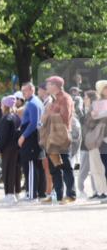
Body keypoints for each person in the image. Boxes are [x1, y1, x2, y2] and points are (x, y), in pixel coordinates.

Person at [40, 76, 76, 204]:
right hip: (51, 137)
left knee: (66, 166)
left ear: (55, 85)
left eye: (48, 84)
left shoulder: (65, 98)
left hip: (61, 136)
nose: (46, 87)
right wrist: (47, 115)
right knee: (54, 167)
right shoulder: (53, 100)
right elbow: (44, 118)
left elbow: (64, 118)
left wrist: (48, 115)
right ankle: (57, 196)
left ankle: (71, 195)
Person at [17, 82, 45, 202]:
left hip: (31, 137)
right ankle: (35, 192)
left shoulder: (33, 103)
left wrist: (23, 136)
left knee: (31, 165)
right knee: (35, 165)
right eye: (22, 91)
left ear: (32, 90)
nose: (23, 93)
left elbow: (33, 123)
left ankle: (32, 194)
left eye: (25, 91)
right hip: (33, 136)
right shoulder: (34, 102)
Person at [0, 95, 22, 204]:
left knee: (7, 170)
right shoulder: (16, 117)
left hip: (8, 148)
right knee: (15, 170)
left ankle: (9, 194)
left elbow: (2, 137)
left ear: (5, 105)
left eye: (2, 104)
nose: (1, 106)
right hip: (16, 147)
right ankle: (16, 192)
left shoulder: (5, 118)